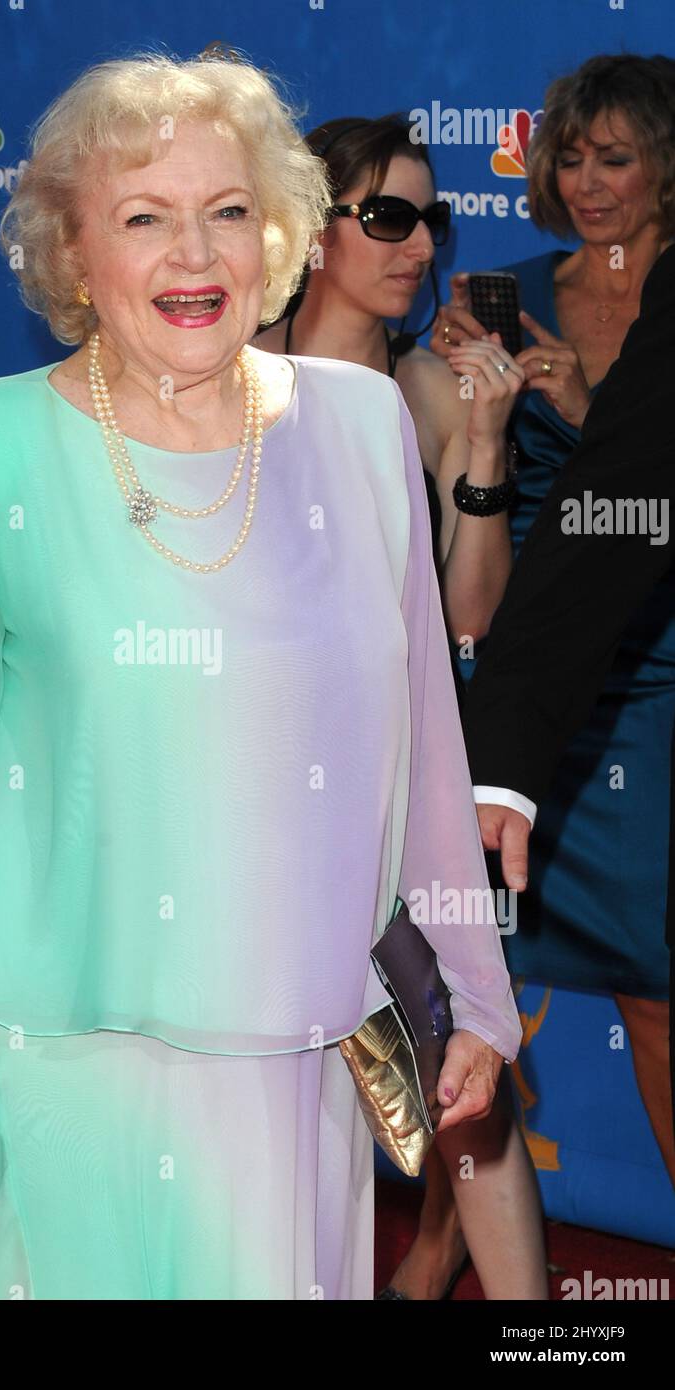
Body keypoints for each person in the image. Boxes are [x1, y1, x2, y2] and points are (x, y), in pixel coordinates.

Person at [0, 50, 521, 1300]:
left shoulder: (360, 430)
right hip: (60, 1047)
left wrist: (477, 989)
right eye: (143, 218)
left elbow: (425, 743)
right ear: (75, 255)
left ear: (279, 236)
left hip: (294, 1045)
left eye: (228, 211)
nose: (193, 255)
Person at [257, 115, 546, 1302]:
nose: (420, 244)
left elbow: (469, 626)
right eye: (386, 216)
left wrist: (481, 454)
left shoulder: (426, 390)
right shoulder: (232, 375)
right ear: (307, 231)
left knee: (465, 1073)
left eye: (433, 219)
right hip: (257, 797)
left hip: (397, 791)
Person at [435, 53, 675, 1182]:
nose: (588, 182)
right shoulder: (516, 289)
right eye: (570, 156)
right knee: (467, 979)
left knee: (659, 983)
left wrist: (583, 410)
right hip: (533, 674)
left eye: (615, 157)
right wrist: (466, 398)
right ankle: (440, 1244)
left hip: (657, 682)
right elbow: (457, 486)